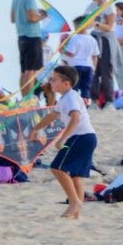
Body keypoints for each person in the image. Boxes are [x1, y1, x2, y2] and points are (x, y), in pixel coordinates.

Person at [29, 66, 97, 219]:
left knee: (57, 167)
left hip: (80, 137)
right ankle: (76, 214)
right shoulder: (66, 97)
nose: (51, 82)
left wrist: (62, 139)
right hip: (87, 138)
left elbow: (75, 118)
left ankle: (74, 202)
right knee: (76, 175)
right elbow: (53, 115)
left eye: (54, 80)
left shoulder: (71, 97)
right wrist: (36, 128)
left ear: (66, 83)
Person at [10, 0, 49, 97]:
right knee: (31, 71)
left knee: (24, 71)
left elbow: (13, 18)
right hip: (32, 36)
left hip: (21, 37)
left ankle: (23, 99)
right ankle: (29, 99)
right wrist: (42, 16)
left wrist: (36, 12)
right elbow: (32, 18)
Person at [87, 0, 123, 109]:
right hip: (94, 38)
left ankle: (109, 100)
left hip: (106, 40)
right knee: (94, 70)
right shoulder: (91, 6)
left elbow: (109, 26)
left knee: (106, 70)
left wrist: (96, 24)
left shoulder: (109, 6)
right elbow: (86, 22)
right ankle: (94, 100)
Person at [62, 16, 100, 105]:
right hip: (88, 66)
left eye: (75, 26)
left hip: (76, 66)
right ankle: (85, 105)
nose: (74, 29)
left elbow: (71, 53)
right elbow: (95, 56)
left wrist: (63, 48)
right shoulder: (92, 39)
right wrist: (94, 68)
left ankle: (74, 105)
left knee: (75, 87)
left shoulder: (75, 38)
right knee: (85, 88)